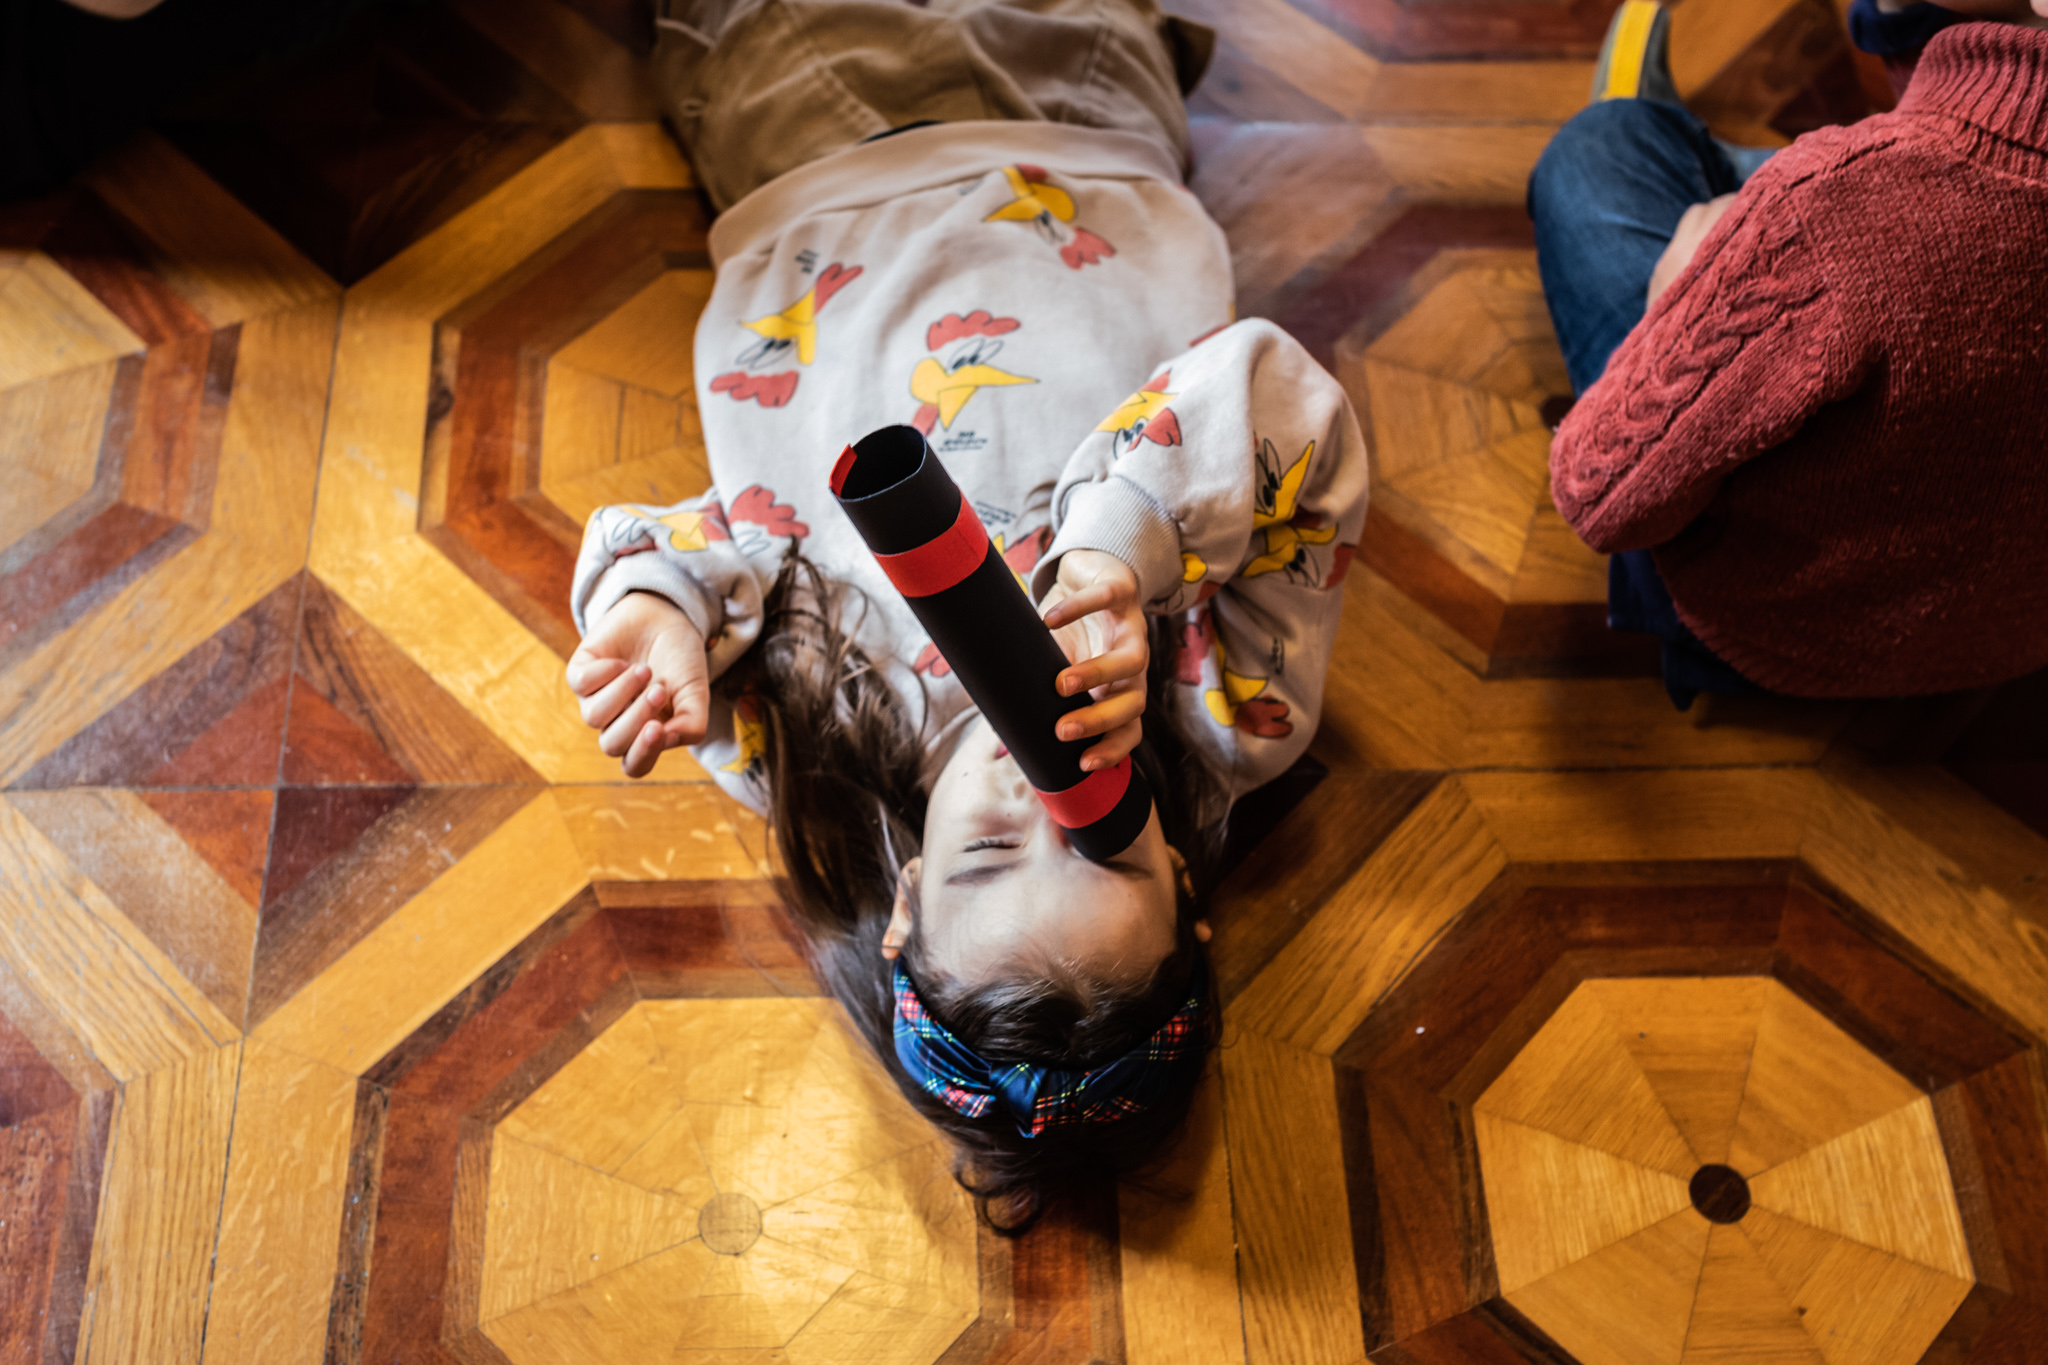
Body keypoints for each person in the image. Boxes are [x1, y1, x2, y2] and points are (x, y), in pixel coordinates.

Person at [566, 0, 1369, 1233]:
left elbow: (709, 550)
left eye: (988, 855)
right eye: (1103, 842)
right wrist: (1119, 553)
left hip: (814, 142)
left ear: (904, 902)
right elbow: (1285, 405)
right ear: (1182, 886)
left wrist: (650, 601)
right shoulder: (1231, 711)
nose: (1035, 795)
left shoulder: (804, 755)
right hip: (1084, 123)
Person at [1529, 0, 2048, 709]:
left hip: (1796, 634)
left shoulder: (1833, 206)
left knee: (1597, 151)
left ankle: (1678, 171)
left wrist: (1673, 298)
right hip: (2021, 631)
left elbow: (1596, 492)